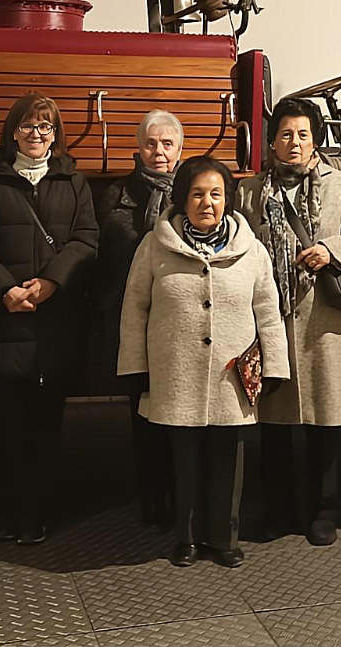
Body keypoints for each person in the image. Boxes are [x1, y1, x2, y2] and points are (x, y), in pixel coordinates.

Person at [118, 156, 289, 568]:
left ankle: (224, 538)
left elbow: (268, 311)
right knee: (184, 459)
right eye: (197, 194)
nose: (207, 202)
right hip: (175, 373)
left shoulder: (251, 250)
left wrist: (276, 365)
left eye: (216, 194)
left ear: (228, 199)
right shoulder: (154, 246)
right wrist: (135, 368)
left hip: (232, 376)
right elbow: (134, 309)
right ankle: (187, 537)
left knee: (229, 460)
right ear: (182, 199)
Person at [0, 93, 99, 545]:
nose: (36, 134)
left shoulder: (73, 181)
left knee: (47, 425)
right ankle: (7, 513)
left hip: (55, 321)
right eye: (27, 125)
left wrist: (52, 282)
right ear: (12, 131)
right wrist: (5, 289)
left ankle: (38, 515)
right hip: (7, 320)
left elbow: (86, 239)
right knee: (6, 424)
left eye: (45, 126)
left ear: (55, 134)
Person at [235, 98, 341, 547]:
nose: (293, 143)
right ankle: (279, 509)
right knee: (275, 423)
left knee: (327, 421)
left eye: (302, 135)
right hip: (271, 318)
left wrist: (331, 250)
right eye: (285, 135)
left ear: (315, 140)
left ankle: (325, 511)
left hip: (324, 319)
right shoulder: (250, 191)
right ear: (272, 141)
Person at [96, 110, 184, 529]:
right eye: (151, 143)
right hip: (131, 318)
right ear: (138, 148)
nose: (159, 151)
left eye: (167, 143)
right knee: (141, 412)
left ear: (180, 148)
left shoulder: (194, 191)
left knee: (180, 413)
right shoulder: (115, 195)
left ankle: (182, 498)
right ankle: (151, 499)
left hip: (181, 322)